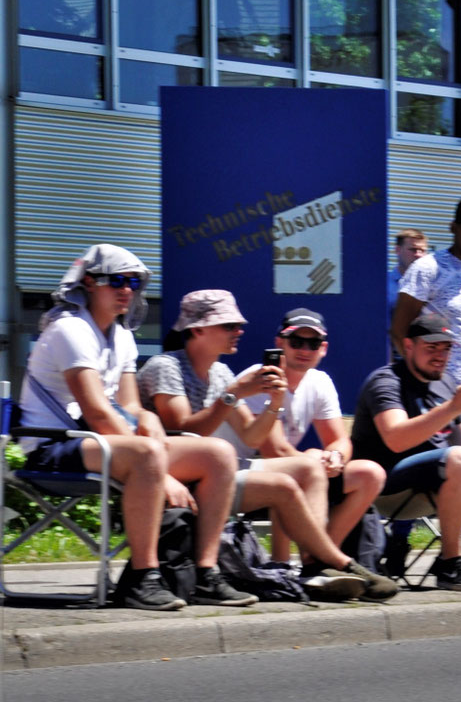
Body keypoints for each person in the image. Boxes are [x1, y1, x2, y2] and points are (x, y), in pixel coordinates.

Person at [17, 246, 253, 610]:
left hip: (99, 442)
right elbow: (97, 412)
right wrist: (162, 472)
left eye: (134, 282)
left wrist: (149, 420)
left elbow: (127, 406)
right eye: (118, 281)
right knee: (146, 454)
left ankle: (206, 573)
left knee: (219, 454)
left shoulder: (122, 335)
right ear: (90, 283)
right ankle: (143, 578)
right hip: (53, 447)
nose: (128, 289)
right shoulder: (70, 329)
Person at [139, 292, 399, 602]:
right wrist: (234, 394)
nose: (240, 331)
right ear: (197, 329)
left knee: (306, 467)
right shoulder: (166, 366)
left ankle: (312, 568)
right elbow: (184, 431)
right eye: (230, 325)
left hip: (224, 469)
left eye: (312, 343)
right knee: (287, 476)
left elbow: (250, 436)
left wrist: (274, 405)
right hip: (189, 475)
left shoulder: (221, 373)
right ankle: (335, 561)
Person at [353, 310, 461, 592]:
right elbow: (395, 439)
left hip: (443, 477)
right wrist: (452, 408)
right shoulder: (386, 381)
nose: (440, 355)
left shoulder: (446, 382)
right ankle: (450, 564)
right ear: (408, 346)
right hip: (387, 484)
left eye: (446, 348)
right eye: (431, 347)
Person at [238, 308, 390, 563]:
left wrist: (335, 457)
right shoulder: (260, 378)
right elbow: (273, 452)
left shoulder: (320, 381)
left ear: (324, 348)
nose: (305, 349)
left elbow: (340, 439)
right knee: (294, 473)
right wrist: (313, 460)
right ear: (279, 343)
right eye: (296, 341)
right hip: (241, 472)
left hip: (294, 472)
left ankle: (320, 561)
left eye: (313, 342)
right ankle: (284, 562)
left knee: (370, 474)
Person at [392, 194, 461, 443]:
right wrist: (421, 383)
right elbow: (400, 330)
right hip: (438, 391)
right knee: (441, 469)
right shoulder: (427, 268)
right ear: (453, 228)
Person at [387, 229, 431, 352]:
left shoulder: (432, 286)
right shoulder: (385, 285)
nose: (418, 255)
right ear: (397, 250)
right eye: (412, 249)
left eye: (422, 250)